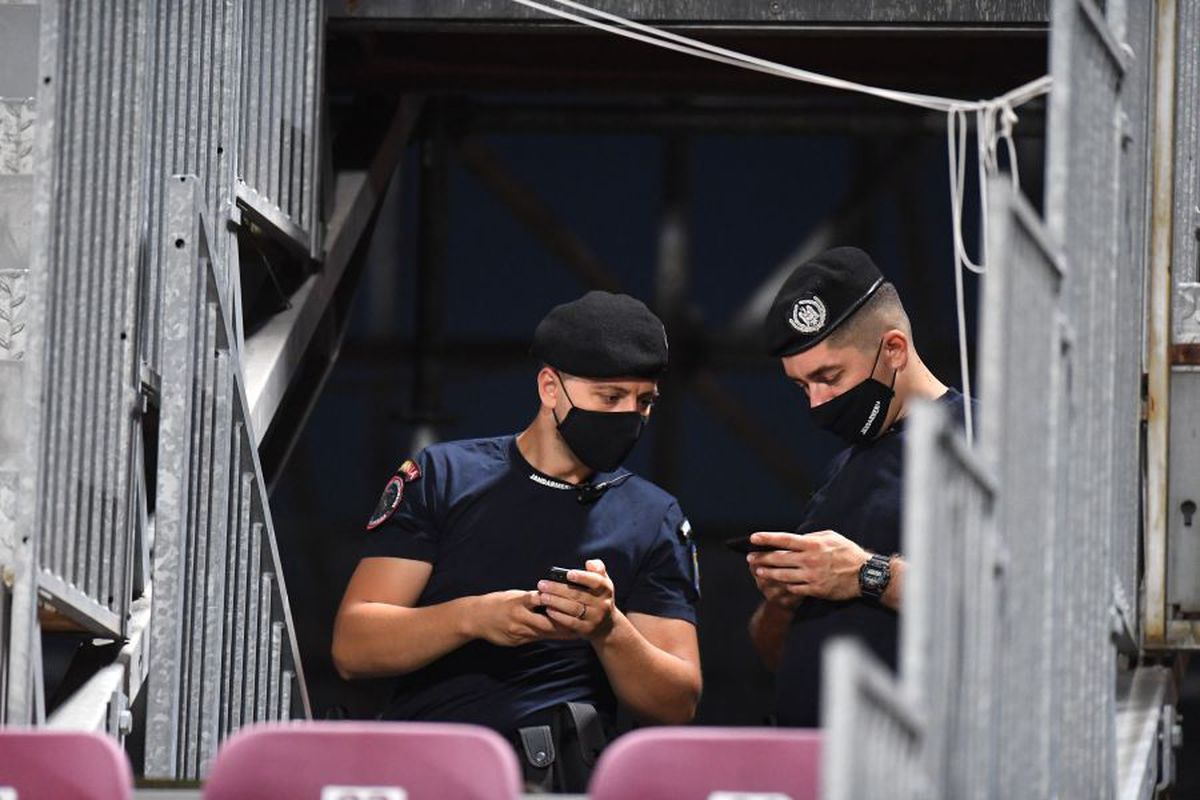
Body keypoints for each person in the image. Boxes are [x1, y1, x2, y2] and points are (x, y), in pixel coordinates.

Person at [332, 290, 701, 791]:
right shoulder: (443, 476)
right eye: (610, 397)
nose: (629, 416)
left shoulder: (654, 516)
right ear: (551, 387)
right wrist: (474, 617)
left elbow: (677, 703)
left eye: (645, 401)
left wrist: (609, 629)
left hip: (561, 777)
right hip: (425, 768)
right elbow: (354, 648)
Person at [745, 246, 965, 727]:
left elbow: (1011, 610)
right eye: (803, 388)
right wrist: (782, 601)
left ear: (894, 350)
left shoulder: (979, 449)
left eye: (828, 377)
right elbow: (776, 653)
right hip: (807, 764)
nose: (817, 405)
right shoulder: (841, 471)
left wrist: (868, 574)